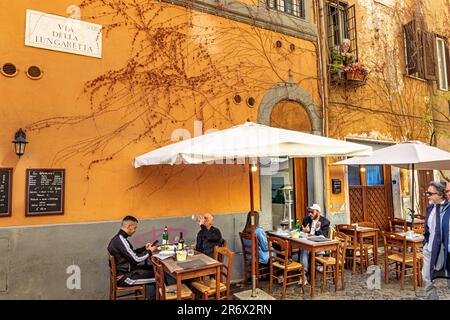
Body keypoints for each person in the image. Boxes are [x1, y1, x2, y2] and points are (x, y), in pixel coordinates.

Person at [107, 216, 157, 298]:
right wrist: (150, 251)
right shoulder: (121, 241)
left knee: (155, 269)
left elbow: (131, 254)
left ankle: (157, 297)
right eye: (134, 228)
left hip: (127, 273)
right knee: (159, 276)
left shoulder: (118, 239)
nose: (135, 230)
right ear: (129, 226)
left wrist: (144, 248)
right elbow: (136, 259)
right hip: (124, 278)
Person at [422, 181, 450, 300]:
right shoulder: (430, 209)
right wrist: (426, 243)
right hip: (430, 248)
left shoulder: (448, 209)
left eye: (430, 193)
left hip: (445, 250)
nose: (428, 196)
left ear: (440, 194)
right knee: (426, 277)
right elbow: (428, 229)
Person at [298, 204, 330, 280]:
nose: (310, 214)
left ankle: (318, 264)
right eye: (309, 212)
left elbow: (324, 237)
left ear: (318, 213)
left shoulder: (325, 222)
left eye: (312, 212)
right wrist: (304, 231)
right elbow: (300, 230)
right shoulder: (306, 219)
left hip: (318, 246)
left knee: (307, 248)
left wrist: (318, 229)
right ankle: (303, 275)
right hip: (308, 244)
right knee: (304, 248)